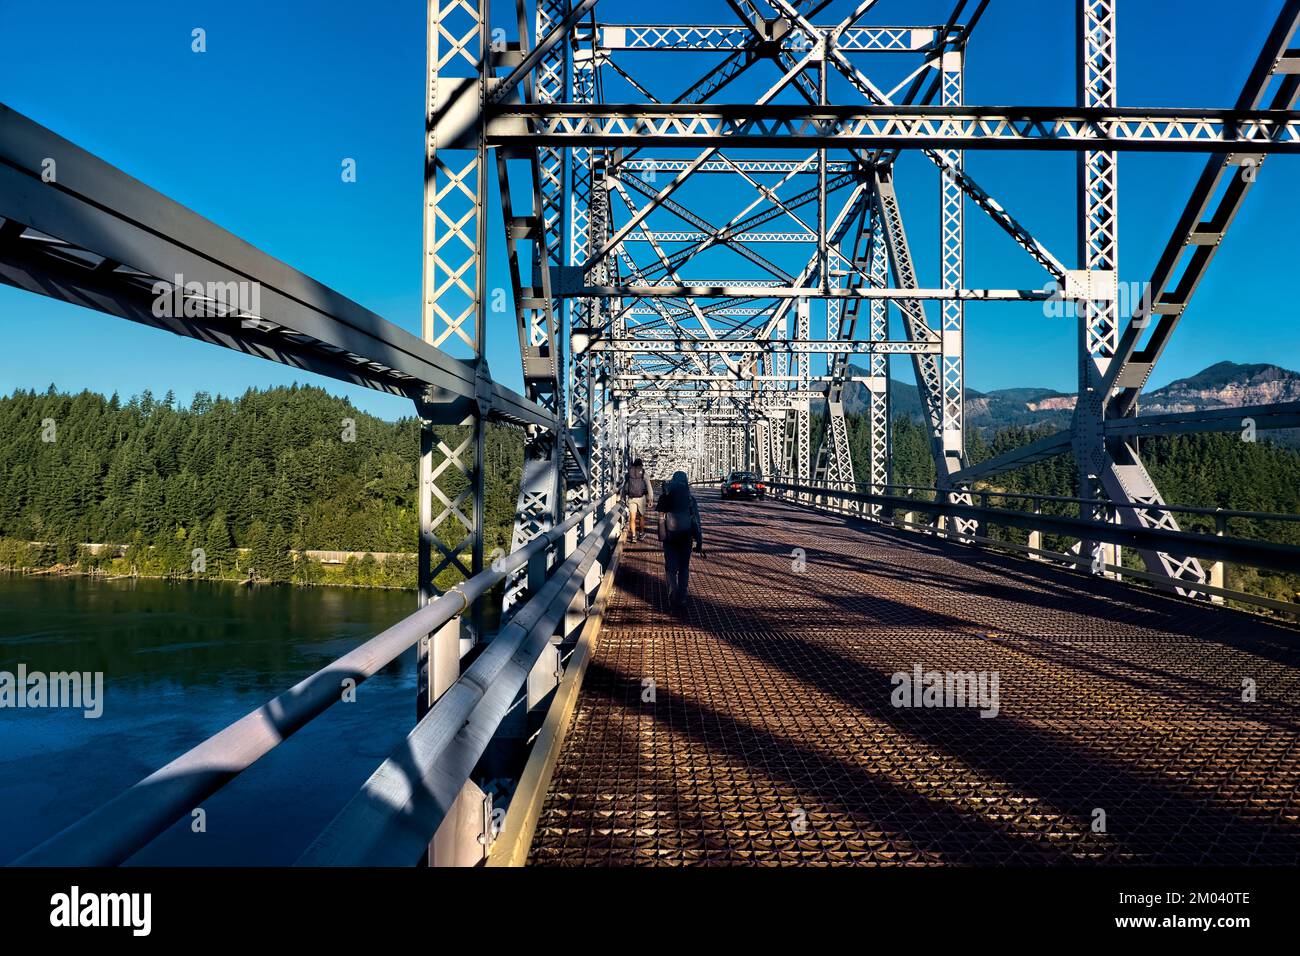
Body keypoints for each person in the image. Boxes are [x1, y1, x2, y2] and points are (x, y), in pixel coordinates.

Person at [656, 470, 704, 611]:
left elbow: (660, 518)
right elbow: (696, 521)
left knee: (671, 568)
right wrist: (699, 541)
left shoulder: (666, 497)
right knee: (684, 568)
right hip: (686, 537)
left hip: (670, 537)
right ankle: (682, 597)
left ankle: (673, 593)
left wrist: (662, 534)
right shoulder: (690, 499)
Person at [622, 458, 652, 542]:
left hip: (631, 498)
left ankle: (633, 536)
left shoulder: (628, 474)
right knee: (641, 517)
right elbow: (649, 487)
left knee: (632, 517)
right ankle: (641, 534)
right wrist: (650, 499)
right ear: (641, 465)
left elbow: (625, 487)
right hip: (641, 498)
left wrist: (623, 497)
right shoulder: (644, 474)